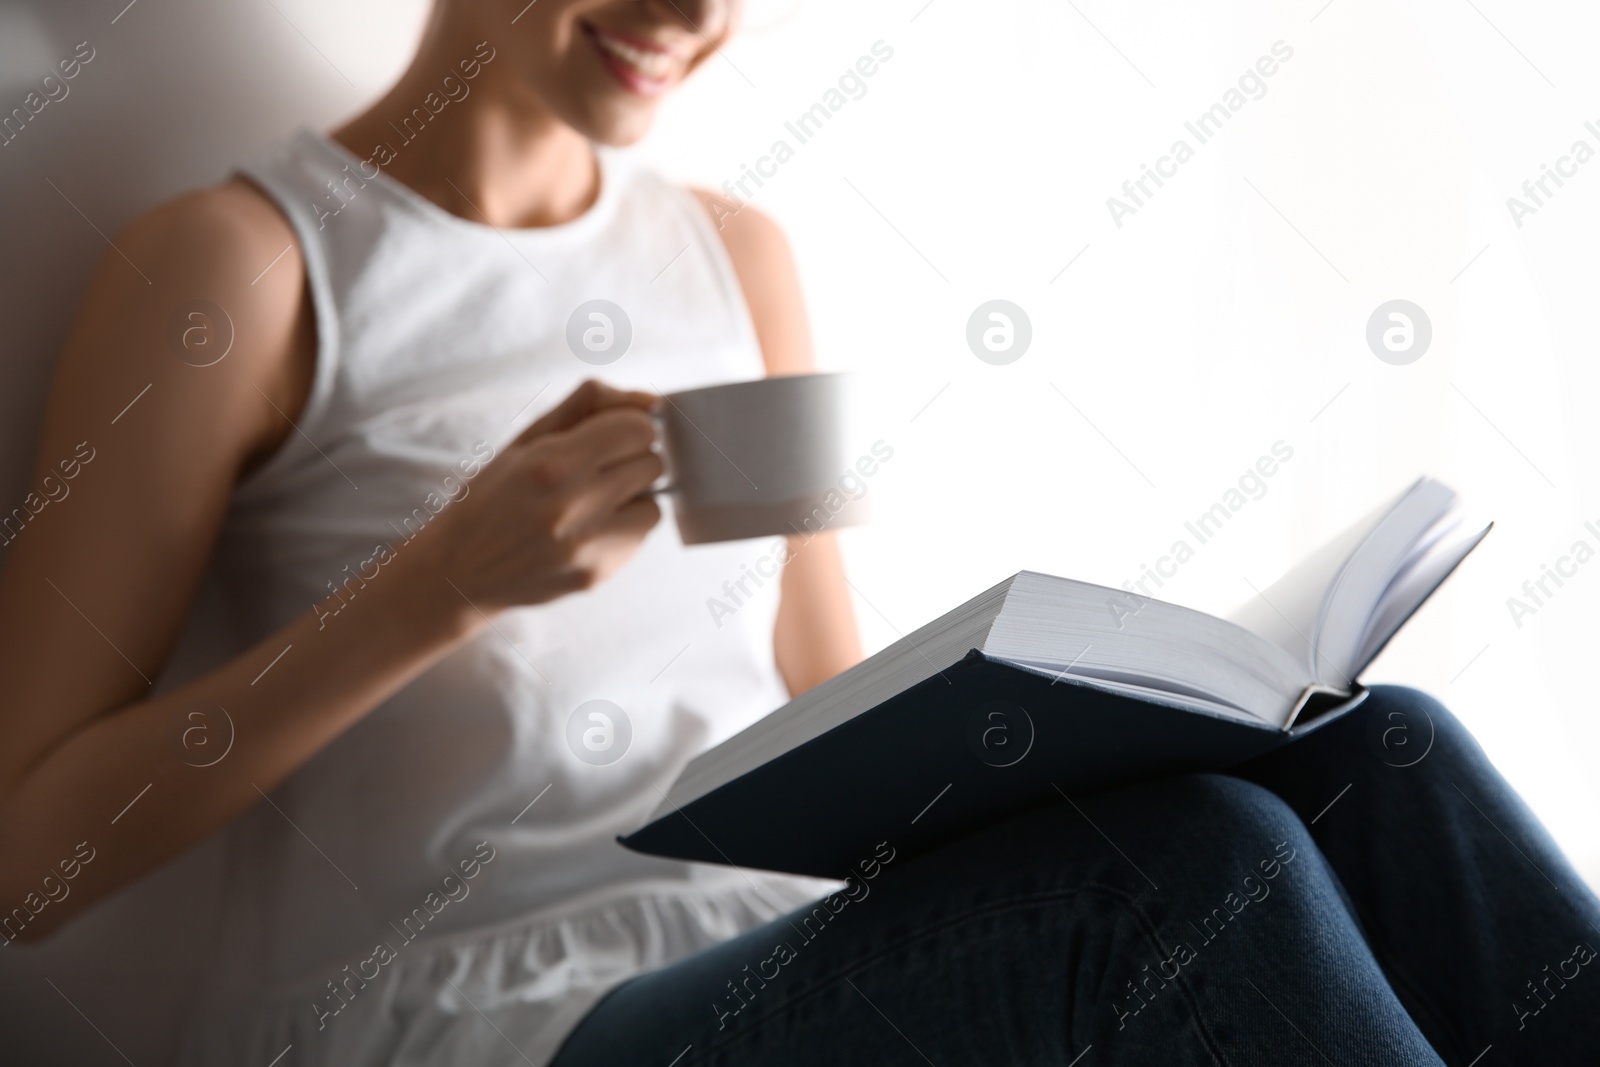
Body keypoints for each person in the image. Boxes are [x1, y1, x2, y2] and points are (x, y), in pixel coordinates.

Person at [0, 1, 1593, 1064]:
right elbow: (26, 860)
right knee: (1192, 874)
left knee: (1380, 748)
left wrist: (1095, 726)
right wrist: (435, 588)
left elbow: (831, 702)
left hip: (788, 938)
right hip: (487, 1017)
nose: (693, 14)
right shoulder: (241, 272)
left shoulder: (737, 260)